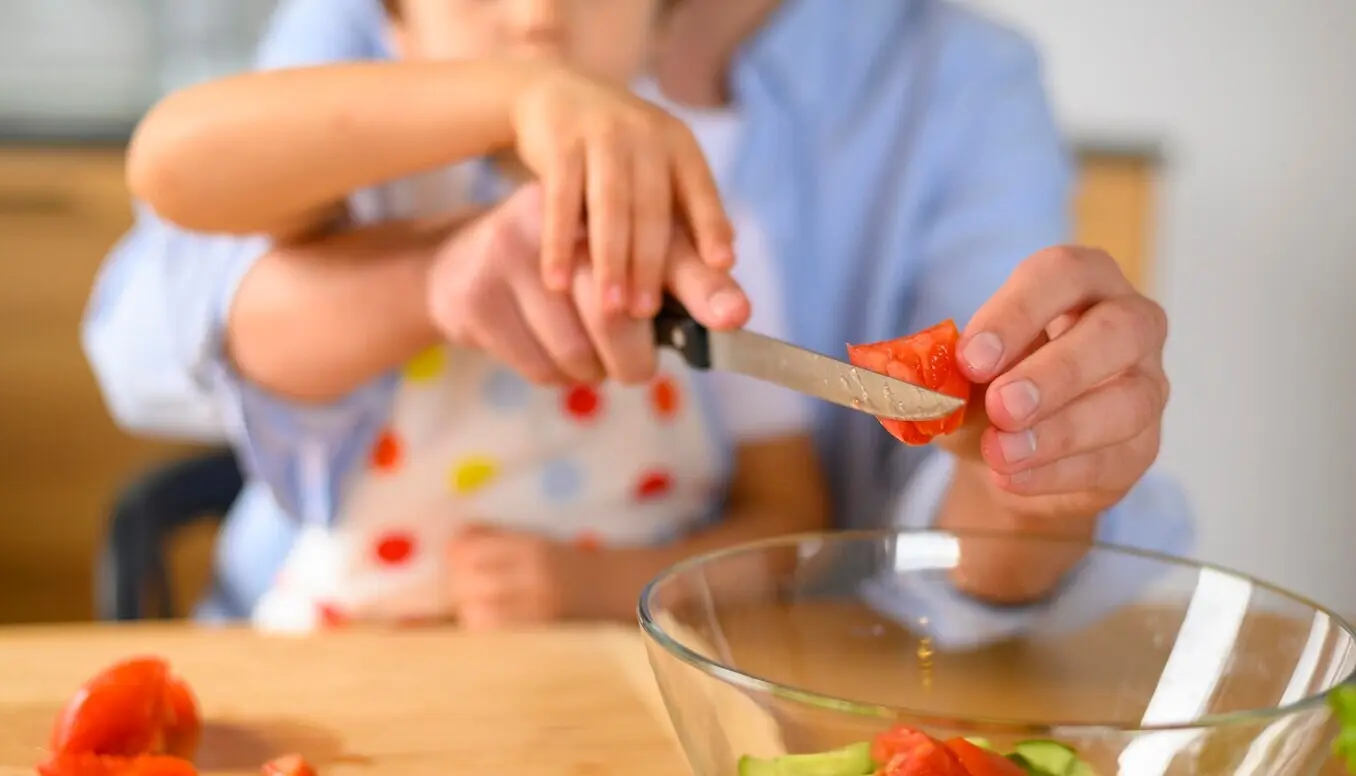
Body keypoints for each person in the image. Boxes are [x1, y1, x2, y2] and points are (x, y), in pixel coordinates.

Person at [83, 0, 1192, 646]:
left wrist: (583, 593)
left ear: (661, 33)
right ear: (383, 24)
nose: (537, 15)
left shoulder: (715, 234)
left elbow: (787, 531)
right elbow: (172, 166)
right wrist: (501, 117)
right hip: (326, 660)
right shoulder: (356, 171)